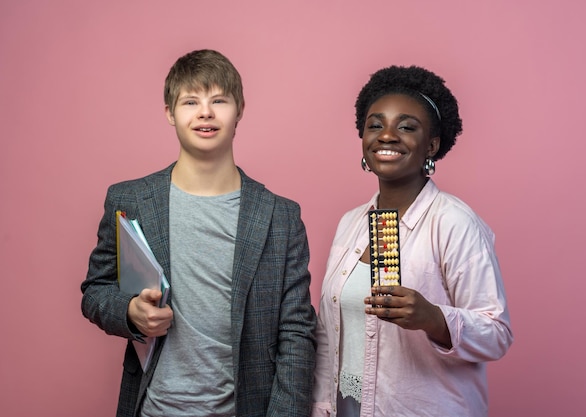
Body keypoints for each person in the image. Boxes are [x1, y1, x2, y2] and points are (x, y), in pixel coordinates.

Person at [81, 49, 317, 417]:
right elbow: (95, 292)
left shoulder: (280, 216)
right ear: (169, 113)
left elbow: (297, 333)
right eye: (190, 101)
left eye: (218, 100)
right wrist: (129, 312)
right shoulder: (129, 199)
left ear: (239, 110)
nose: (205, 112)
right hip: (153, 408)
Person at [311, 66, 513, 417]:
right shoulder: (350, 224)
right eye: (376, 125)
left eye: (406, 126)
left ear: (431, 145)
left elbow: (497, 333)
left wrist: (433, 318)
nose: (387, 136)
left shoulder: (454, 223)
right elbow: (328, 331)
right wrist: (321, 405)